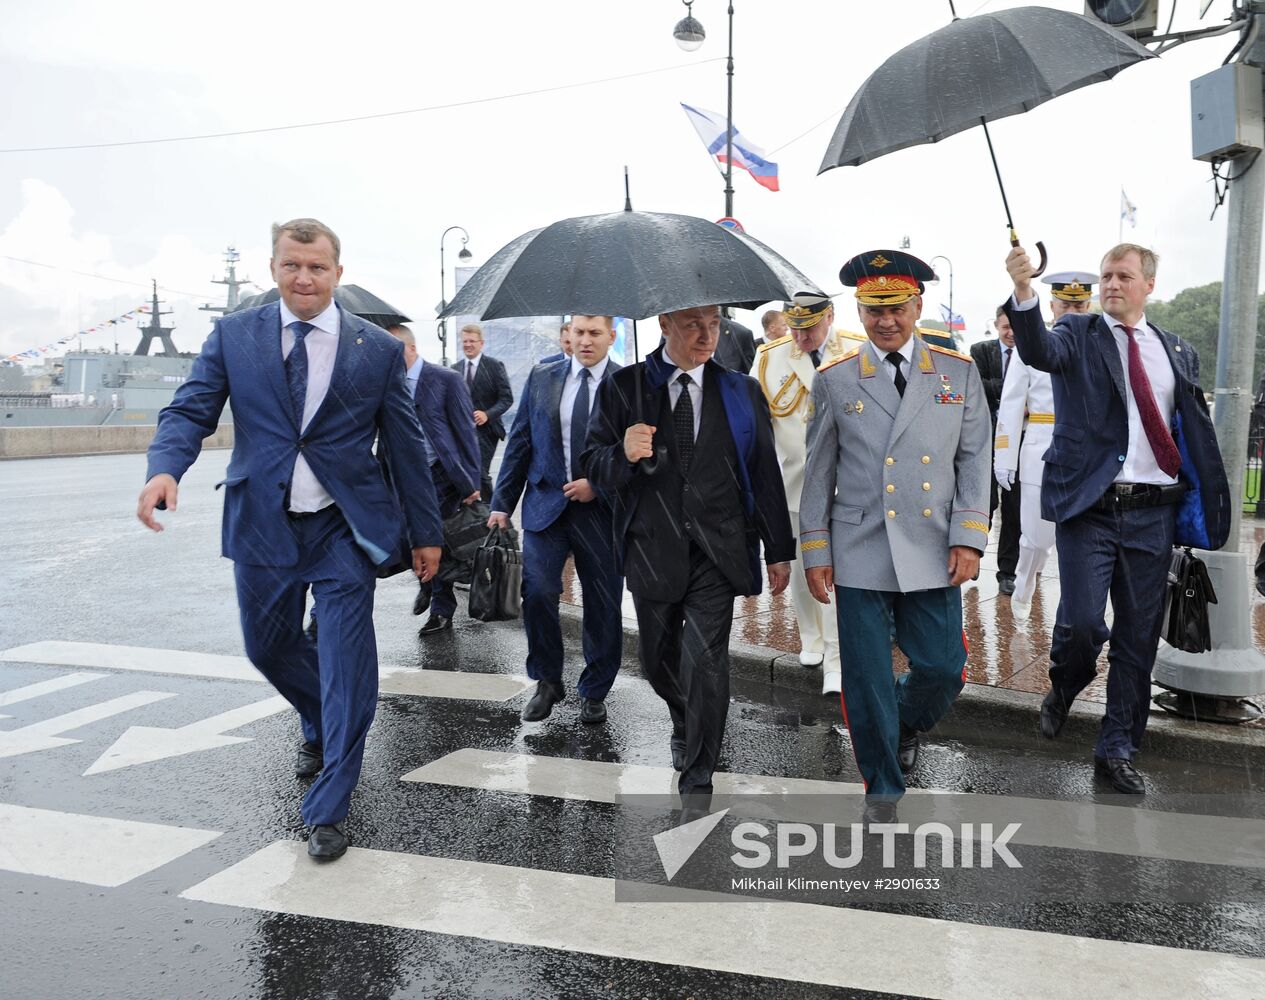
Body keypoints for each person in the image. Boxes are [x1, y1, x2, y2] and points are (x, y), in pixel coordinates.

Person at [137, 218, 442, 861]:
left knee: (346, 663)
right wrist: (164, 468)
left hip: (341, 527)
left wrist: (426, 534)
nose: (304, 278)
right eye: (291, 266)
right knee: (269, 648)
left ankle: (331, 804)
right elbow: (191, 409)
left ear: (338, 272)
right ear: (273, 269)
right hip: (263, 521)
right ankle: (321, 717)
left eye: (317, 267)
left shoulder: (376, 349)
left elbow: (408, 448)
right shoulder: (234, 335)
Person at [1004, 242, 1222, 794]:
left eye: (1123, 276)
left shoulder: (1176, 350)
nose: (1111, 284)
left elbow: (1188, 428)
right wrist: (1025, 292)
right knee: (1082, 625)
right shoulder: (1078, 335)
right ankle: (1064, 685)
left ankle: (1117, 748)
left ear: (1149, 284)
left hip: (1154, 515)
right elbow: (1036, 351)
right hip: (1091, 510)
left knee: (1137, 639)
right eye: (1106, 276)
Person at [800, 250, 990, 823]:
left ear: (917, 305)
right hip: (858, 546)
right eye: (873, 310)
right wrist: (815, 550)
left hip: (933, 543)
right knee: (866, 677)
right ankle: (882, 786)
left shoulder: (958, 372)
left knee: (941, 666)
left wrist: (970, 537)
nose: (886, 322)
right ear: (859, 310)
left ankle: (905, 721)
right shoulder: (835, 380)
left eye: (897, 309)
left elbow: (974, 460)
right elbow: (818, 471)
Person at [584, 304, 793, 808]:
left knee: (705, 659)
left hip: (718, 550)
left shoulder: (741, 390)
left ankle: (698, 776)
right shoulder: (624, 388)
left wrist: (779, 549)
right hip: (652, 547)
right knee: (657, 661)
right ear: (664, 325)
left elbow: (764, 471)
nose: (707, 335)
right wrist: (623, 454)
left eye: (714, 325)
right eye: (693, 324)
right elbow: (593, 466)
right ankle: (687, 715)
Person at [489, 315, 624, 723]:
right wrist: (501, 503)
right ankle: (548, 680)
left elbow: (639, 454)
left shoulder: (629, 383)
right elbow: (521, 441)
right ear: (569, 335)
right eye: (579, 333)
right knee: (539, 591)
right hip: (546, 505)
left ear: (610, 336)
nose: (585, 341)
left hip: (602, 512)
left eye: (594, 333)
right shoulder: (543, 376)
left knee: (603, 604)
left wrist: (597, 486)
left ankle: (595, 689)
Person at [752, 294, 849, 694]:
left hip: (845, 482)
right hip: (792, 480)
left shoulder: (856, 350)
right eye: (794, 327)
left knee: (838, 570)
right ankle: (810, 638)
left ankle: (837, 657)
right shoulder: (769, 357)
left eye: (809, 327)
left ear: (829, 317)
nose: (800, 336)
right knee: (799, 567)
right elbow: (760, 427)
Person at [994, 272, 1096, 621]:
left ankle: (1077, 605)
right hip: (1041, 444)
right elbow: (1010, 404)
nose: (1072, 311)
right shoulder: (1031, 347)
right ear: (1051, 306)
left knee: (1083, 539)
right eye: (1065, 304)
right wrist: (1004, 457)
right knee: (1036, 534)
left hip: (1088, 454)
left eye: (1079, 304)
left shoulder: (1100, 347)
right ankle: (1024, 580)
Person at [386, 324, 482, 636]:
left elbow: (466, 433)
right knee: (405, 537)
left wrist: (471, 482)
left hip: (440, 473)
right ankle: (425, 582)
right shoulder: (386, 383)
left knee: (438, 539)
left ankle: (442, 609)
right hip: (402, 474)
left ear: (411, 349)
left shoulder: (445, 379)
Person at [970, 314, 1021, 594]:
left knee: (1014, 509)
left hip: (1020, 442)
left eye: (1016, 326)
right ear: (996, 325)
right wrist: (1016, 391)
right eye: (1006, 326)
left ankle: (1007, 573)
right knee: (984, 502)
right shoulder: (980, 351)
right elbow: (976, 387)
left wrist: (996, 387)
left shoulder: (1030, 353)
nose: (1011, 332)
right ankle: (974, 553)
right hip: (986, 438)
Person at [453, 323, 513, 500]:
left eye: (472, 341)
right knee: (464, 471)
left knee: (480, 472)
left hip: (487, 431)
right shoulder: (455, 370)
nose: (468, 345)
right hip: (462, 431)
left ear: (481, 343)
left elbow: (506, 398)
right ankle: (471, 511)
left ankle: (491, 511)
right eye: (465, 341)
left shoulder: (494, 366)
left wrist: (487, 414)